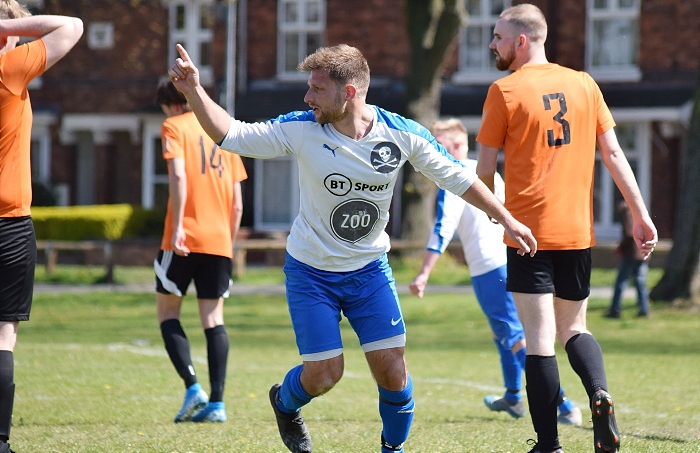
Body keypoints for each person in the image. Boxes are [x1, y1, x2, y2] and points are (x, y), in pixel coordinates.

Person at [168, 43, 537, 453]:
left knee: (393, 374)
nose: (307, 97)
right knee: (325, 374)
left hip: (368, 272)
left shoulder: (401, 133)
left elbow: (459, 178)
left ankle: (391, 450)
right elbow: (231, 134)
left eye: (316, 89)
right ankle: (285, 403)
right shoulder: (302, 127)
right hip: (310, 272)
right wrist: (194, 92)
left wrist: (506, 218)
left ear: (349, 93)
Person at [475, 4, 657, 453]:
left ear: (521, 41)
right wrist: (641, 214)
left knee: (539, 344)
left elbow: (482, 173)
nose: (492, 44)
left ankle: (549, 444)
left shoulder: (505, 90)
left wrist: (495, 214)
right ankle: (598, 392)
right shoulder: (583, 83)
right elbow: (614, 155)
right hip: (577, 233)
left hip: (526, 236)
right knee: (575, 328)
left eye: (498, 36)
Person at [409, 118, 581, 426]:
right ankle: (514, 397)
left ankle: (563, 405)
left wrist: (423, 273)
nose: (431, 148)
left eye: (438, 142)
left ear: (457, 145)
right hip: (509, 258)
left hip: (489, 267)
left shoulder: (452, 176)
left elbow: (442, 229)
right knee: (501, 331)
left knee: (514, 335)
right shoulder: (489, 174)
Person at [0, 4, 82, 452]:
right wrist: (5, 29)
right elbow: (73, 26)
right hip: (8, 221)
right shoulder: (8, 69)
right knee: (3, 335)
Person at [154, 77, 247, 423]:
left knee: (168, 313)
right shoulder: (224, 130)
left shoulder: (173, 125)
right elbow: (237, 204)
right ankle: (218, 404)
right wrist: (229, 241)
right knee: (213, 319)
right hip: (220, 239)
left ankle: (193, 387)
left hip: (183, 238)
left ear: (170, 104)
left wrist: (179, 226)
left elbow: (178, 177)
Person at [604, 201, 650, 319]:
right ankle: (644, 309)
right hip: (642, 253)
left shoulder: (627, 213)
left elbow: (629, 234)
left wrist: (621, 247)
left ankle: (615, 309)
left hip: (631, 253)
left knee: (621, 282)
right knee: (640, 282)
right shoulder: (640, 213)